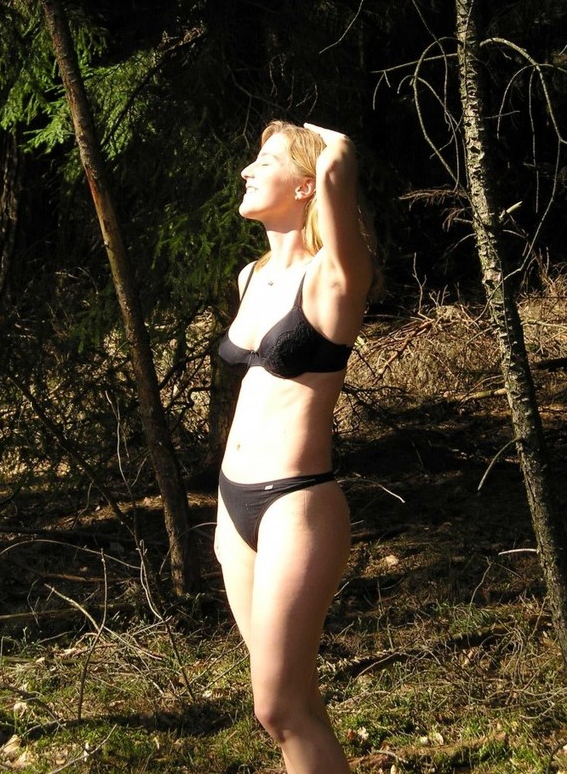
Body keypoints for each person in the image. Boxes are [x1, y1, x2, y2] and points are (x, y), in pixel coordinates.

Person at [215, 119, 379, 774]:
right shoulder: (248, 277)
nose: (247, 171)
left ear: (307, 185)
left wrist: (330, 147)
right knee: (293, 709)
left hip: (297, 504)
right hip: (233, 507)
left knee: (277, 707)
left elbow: (339, 164)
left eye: (266, 161)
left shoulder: (335, 278)